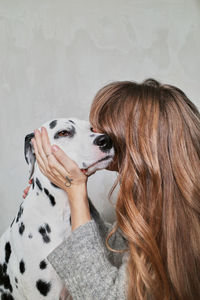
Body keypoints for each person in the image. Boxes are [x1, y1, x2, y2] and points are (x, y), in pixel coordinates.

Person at [24, 78, 200, 300]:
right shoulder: (160, 202)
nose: (96, 135)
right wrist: (59, 193)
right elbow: (116, 248)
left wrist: (75, 189)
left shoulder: (166, 223)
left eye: (100, 128)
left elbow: (101, 295)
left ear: (137, 141)